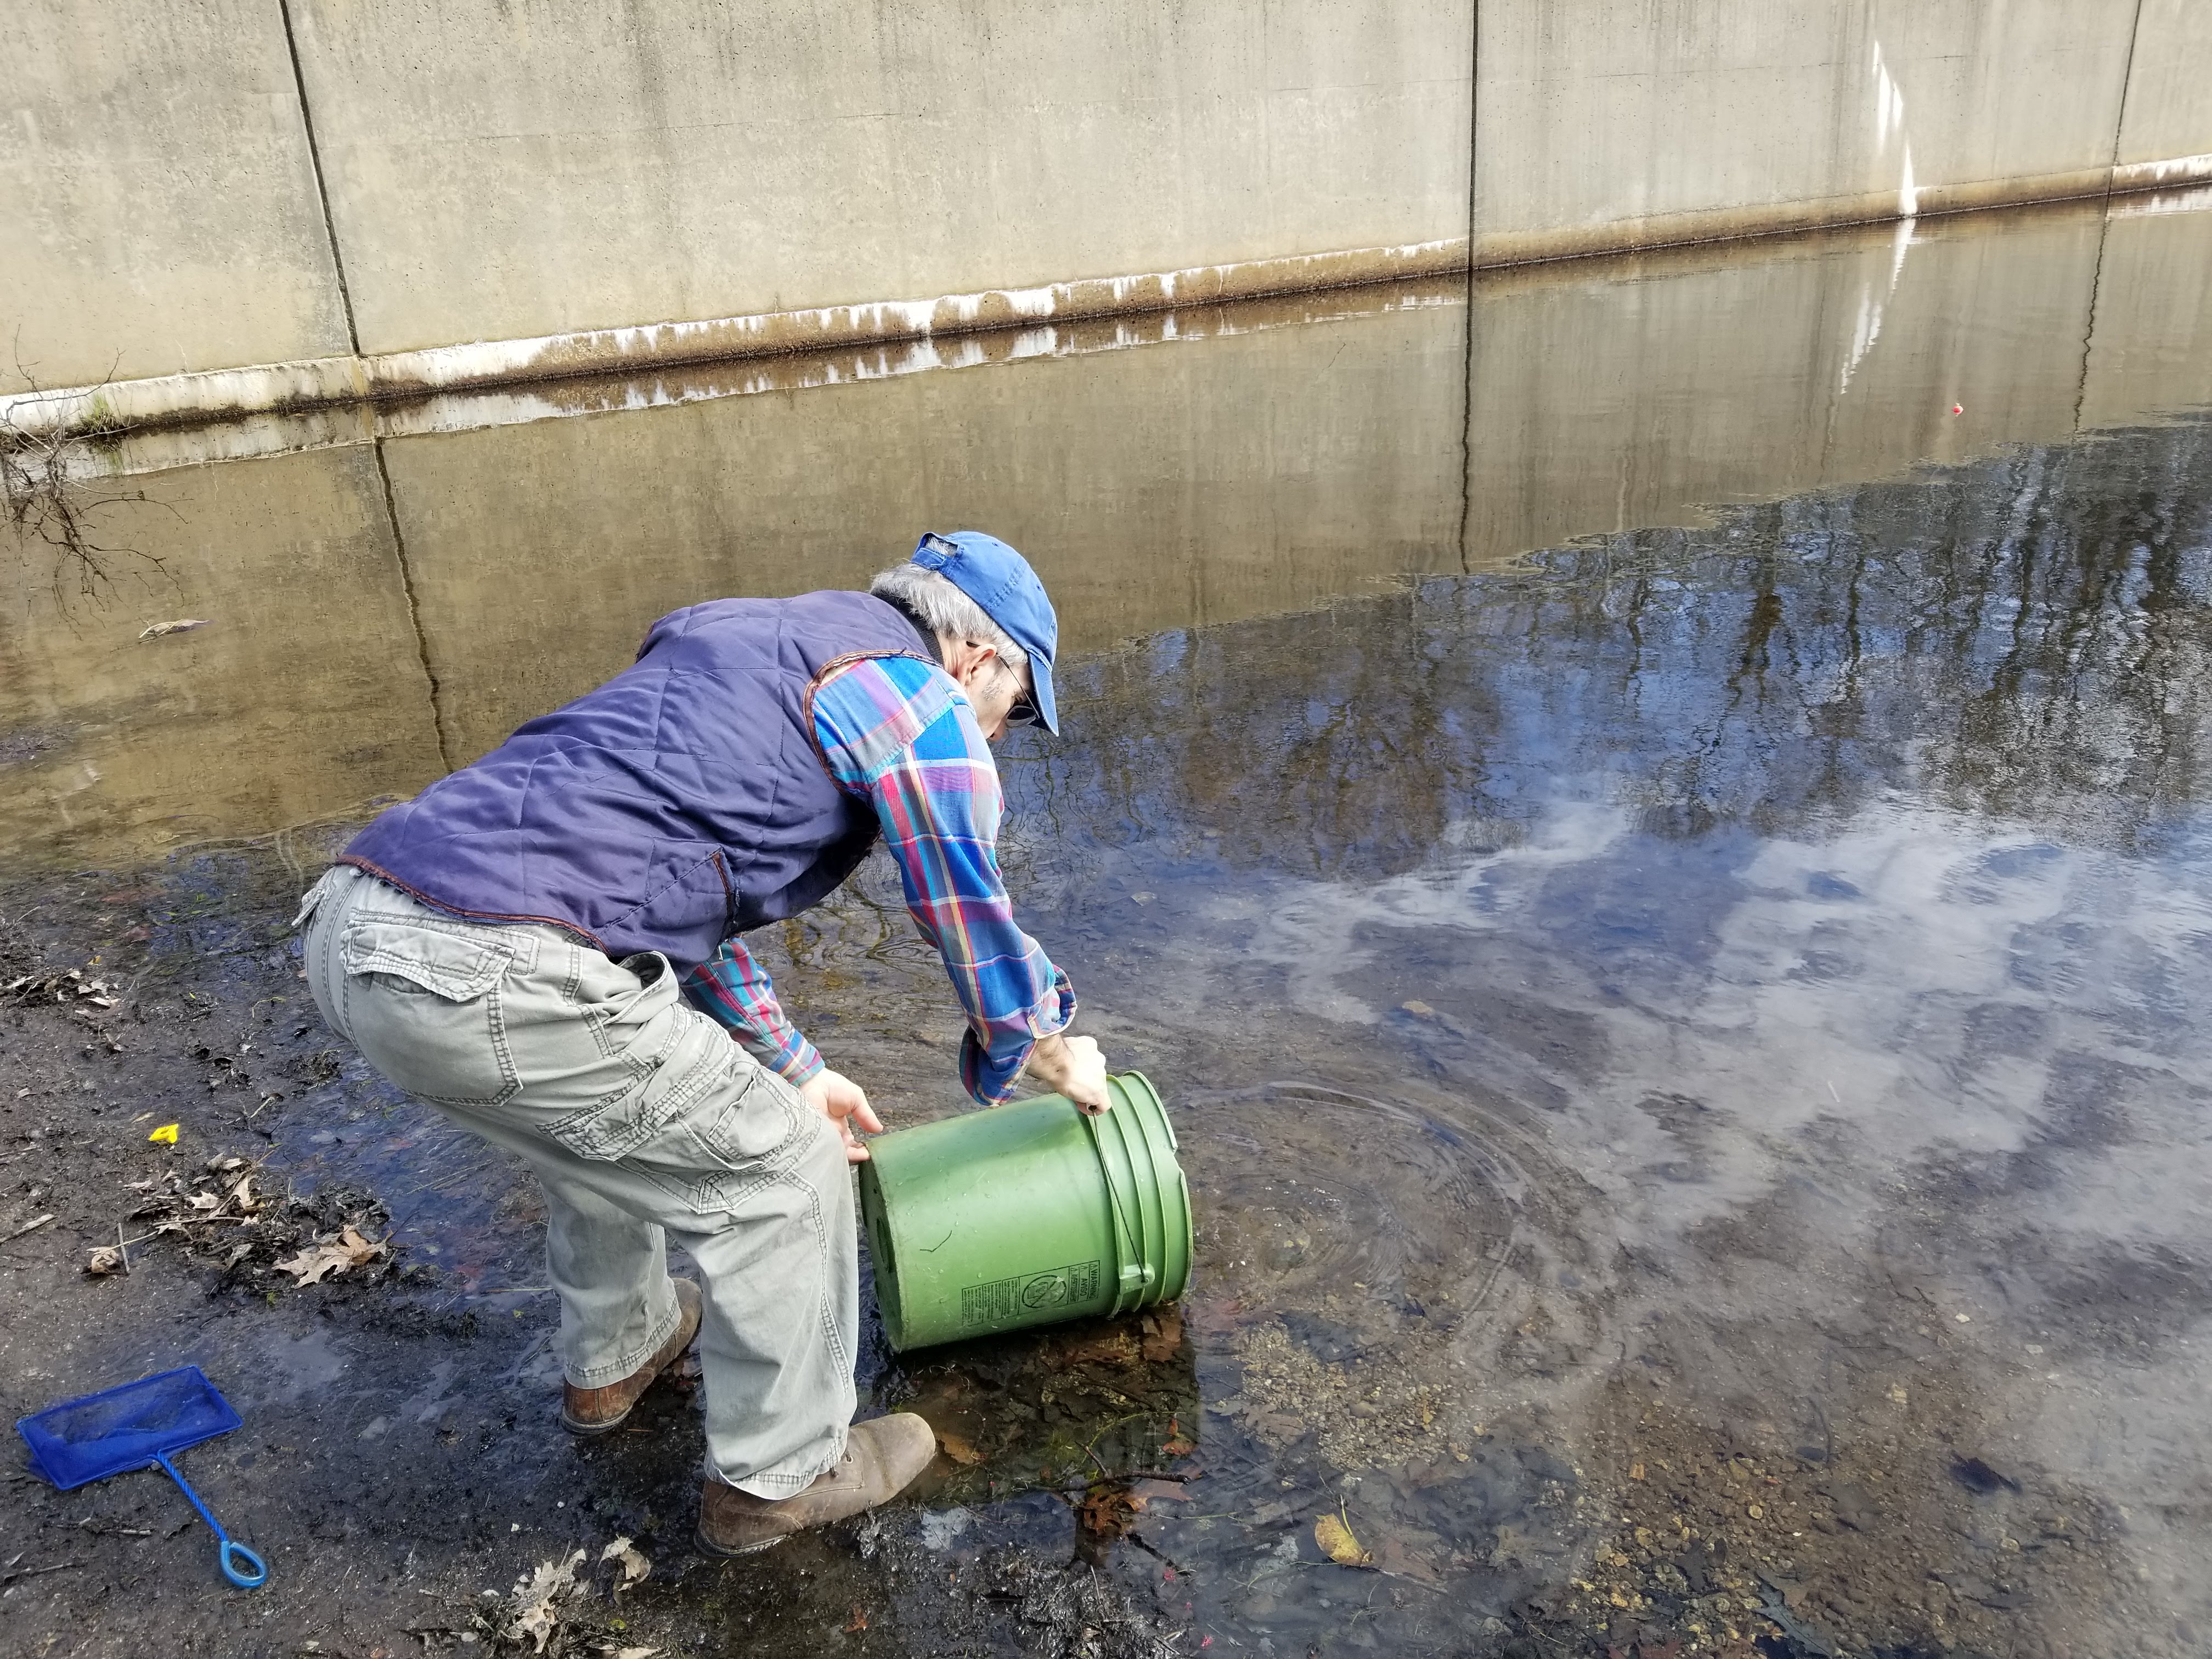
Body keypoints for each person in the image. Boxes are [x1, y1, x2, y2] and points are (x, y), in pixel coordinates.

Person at [295, 531, 1108, 1555]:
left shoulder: (748, 637)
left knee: (603, 1109)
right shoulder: (922, 702)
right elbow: (959, 891)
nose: (1000, 736)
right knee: (789, 1174)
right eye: (1019, 711)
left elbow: (663, 902)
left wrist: (802, 1069)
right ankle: (783, 1477)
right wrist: (1045, 1037)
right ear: (978, 660)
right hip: (490, 966)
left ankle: (620, 1353)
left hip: (358, 924)